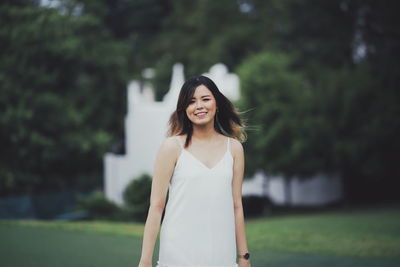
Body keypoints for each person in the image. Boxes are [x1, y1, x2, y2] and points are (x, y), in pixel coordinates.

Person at [138, 75, 251, 267]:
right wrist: (145, 261)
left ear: (216, 103)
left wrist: (244, 257)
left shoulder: (234, 149)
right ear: (184, 109)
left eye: (205, 99)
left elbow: (236, 206)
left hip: (221, 254)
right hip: (178, 253)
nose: (199, 106)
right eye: (191, 102)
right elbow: (156, 206)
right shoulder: (171, 147)